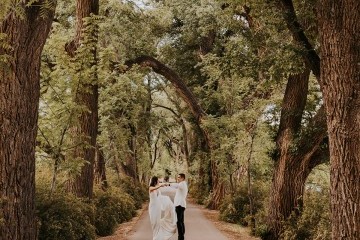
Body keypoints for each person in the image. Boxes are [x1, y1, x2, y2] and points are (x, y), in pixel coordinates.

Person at [173, 173, 188, 240]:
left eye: (179, 177)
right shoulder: (183, 184)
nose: (178, 178)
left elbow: (176, 186)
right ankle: (182, 235)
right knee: (181, 221)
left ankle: (181, 237)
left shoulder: (182, 184)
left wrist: (168, 184)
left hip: (179, 205)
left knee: (179, 222)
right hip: (181, 205)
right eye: (177, 177)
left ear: (183, 178)